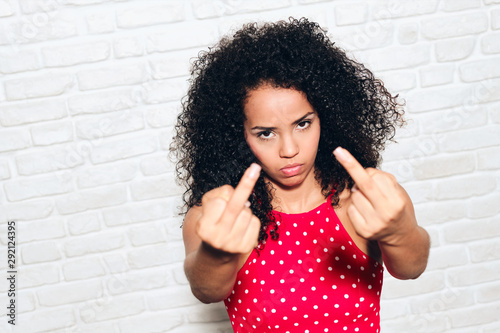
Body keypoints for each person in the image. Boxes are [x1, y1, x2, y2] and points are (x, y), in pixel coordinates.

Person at [171, 18, 430, 333]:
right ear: (237, 135)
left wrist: (399, 232)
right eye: (266, 133)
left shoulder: (367, 200)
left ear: (328, 116)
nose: (289, 149)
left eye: (303, 123)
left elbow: (411, 268)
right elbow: (206, 290)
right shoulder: (224, 219)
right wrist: (216, 253)